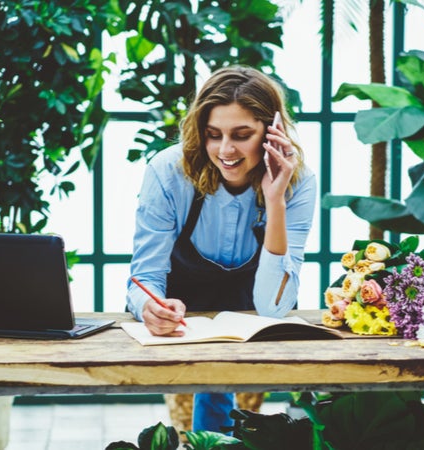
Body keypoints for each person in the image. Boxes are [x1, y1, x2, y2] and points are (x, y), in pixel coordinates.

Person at [126, 66, 317, 433]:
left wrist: (275, 201)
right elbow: (144, 277)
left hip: (252, 308)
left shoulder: (298, 181)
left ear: (271, 131)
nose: (225, 150)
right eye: (213, 135)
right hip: (184, 313)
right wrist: (148, 306)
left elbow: (274, 306)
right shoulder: (167, 171)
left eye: (242, 135)